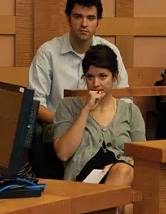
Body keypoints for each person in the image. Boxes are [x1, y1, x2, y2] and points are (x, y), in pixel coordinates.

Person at [29, 0, 130, 125]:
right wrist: (67, 123)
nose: (84, 24)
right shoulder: (48, 53)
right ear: (68, 18)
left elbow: (124, 98)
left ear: (98, 21)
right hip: (59, 128)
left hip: (103, 128)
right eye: (78, 17)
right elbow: (35, 104)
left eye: (90, 18)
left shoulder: (111, 51)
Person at [53, 44, 145, 187]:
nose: (96, 84)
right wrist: (86, 110)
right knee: (127, 208)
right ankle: (110, 208)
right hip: (82, 183)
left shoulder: (130, 111)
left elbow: (143, 158)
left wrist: (118, 166)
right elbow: (63, 153)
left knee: (122, 172)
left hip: (122, 177)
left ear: (114, 77)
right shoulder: (68, 106)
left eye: (102, 76)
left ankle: (107, 208)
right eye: (90, 77)